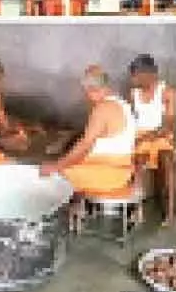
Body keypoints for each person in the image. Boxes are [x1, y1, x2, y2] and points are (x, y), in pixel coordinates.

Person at [40, 65, 137, 208]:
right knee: (60, 168)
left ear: (91, 89)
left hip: (108, 174)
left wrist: (57, 166)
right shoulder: (122, 104)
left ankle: (48, 216)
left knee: (50, 178)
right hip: (119, 172)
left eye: (86, 90)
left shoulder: (103, 108)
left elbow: (85, 145)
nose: (86, 95)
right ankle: (74, 211)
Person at [128, 54, 176, 226]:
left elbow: (169, 124)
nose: (133, 80)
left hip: (161, 136)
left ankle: (170, 214)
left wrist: (149, 136)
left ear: (148, 75)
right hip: (141, 136)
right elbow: (131, 120)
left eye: (135, 76)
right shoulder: (133, 94)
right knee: (138, 162)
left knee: (167, 161)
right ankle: (138, 210)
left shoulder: (168, 92)